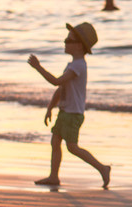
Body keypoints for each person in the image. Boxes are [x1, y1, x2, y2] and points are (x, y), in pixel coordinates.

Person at [28, 22, 111, 189]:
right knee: (55, 141)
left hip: (73, 114)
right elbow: (61, 88)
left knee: (72, 147)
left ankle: (103, 168)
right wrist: (50, 107)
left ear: (79, 46)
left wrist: (38, 67)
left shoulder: (78, 66)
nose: (65, 42)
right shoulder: (72, 65)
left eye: (69, 40)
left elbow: (56, 81)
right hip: (65, 111)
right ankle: (53, 176)